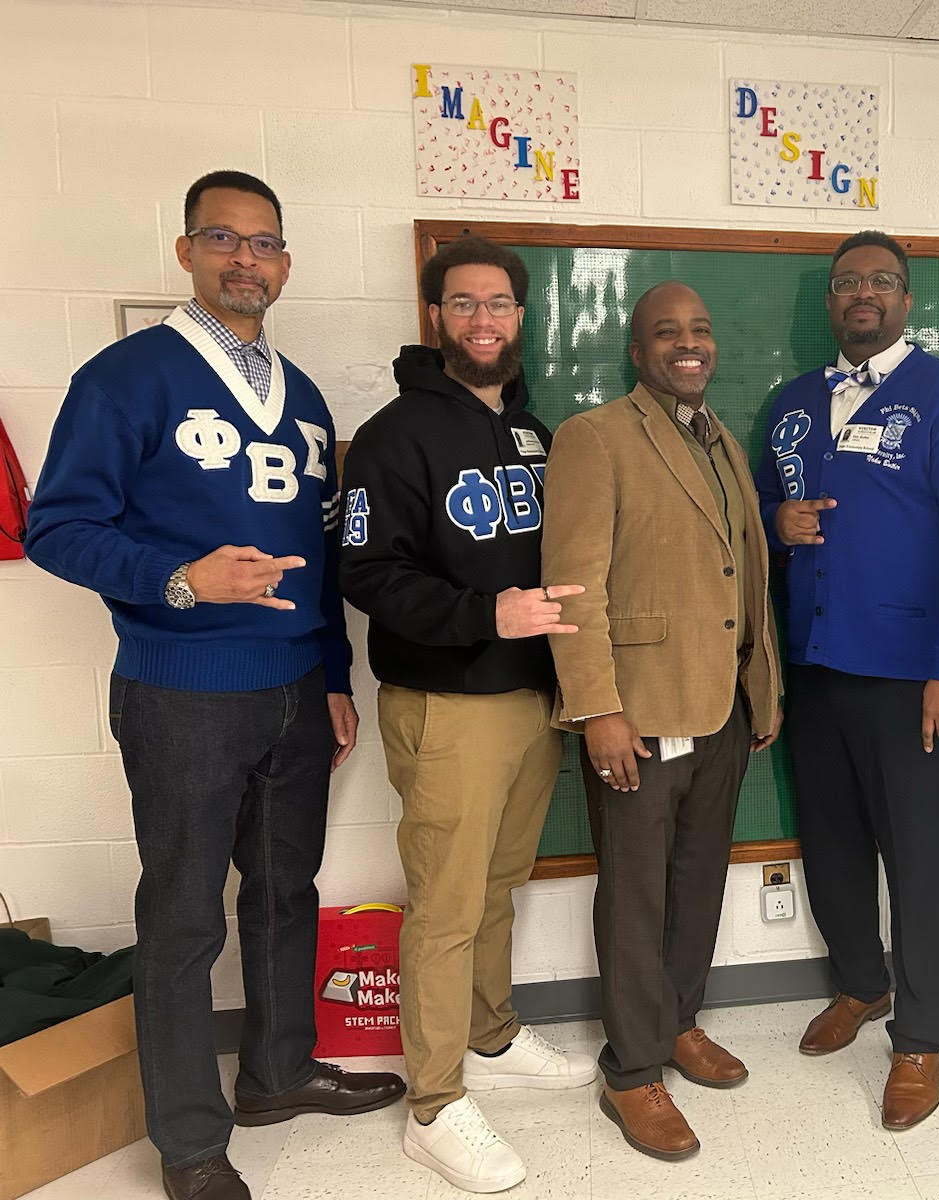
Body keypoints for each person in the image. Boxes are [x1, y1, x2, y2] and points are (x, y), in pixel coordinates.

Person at [23, 170, 403, 1200]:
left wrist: (331, 675)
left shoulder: (308, 396)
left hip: (291, 692)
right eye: (224, 238)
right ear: (187, 251)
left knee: (286, 892)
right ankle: (190, 1140)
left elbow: (319, 562)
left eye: (266, 243)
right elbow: (53, 527)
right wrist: (178, 578)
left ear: (285, 264)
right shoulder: (127, 377)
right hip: (182, 690)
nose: (247, 258)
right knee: (186, 916)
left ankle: (278, 1073)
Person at [339, 236, 597, 1194]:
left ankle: (487, 1035)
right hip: (448, 704)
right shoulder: (393, 437)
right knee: (446, 906)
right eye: (463, 304)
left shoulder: (533, 429)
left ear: (520, 316)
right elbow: (366, 573)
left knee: (499, 883)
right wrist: (482, 615)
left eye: (499, 303)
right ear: (436, 316)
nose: (483, 320)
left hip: (533, 699)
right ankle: (434, 1104)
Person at [757, 230, 939, 1131]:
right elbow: (750, 522)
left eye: (880, 281)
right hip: (815, 667)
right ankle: (860, 984)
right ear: (829, 303)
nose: (861, 293)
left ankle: (923, 1035)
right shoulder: (793, 405)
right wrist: (774, 520)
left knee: (914, 856)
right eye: (845, 282)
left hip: (911, 680)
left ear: (907, 300)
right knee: (828, 841)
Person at [541, 281, 782, 1162]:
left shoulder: (721, 440)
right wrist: (598, 706)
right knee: (638, 894)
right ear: (637, 353)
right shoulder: (594, 438)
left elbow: (744, 575)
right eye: (667, 333)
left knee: (699, 880)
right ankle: (633, 1068)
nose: (690, 344)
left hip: (721, 706)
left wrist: (767, 685)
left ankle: (680, 1021)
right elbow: (573, 588)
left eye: (701, 328)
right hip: (636, 715)